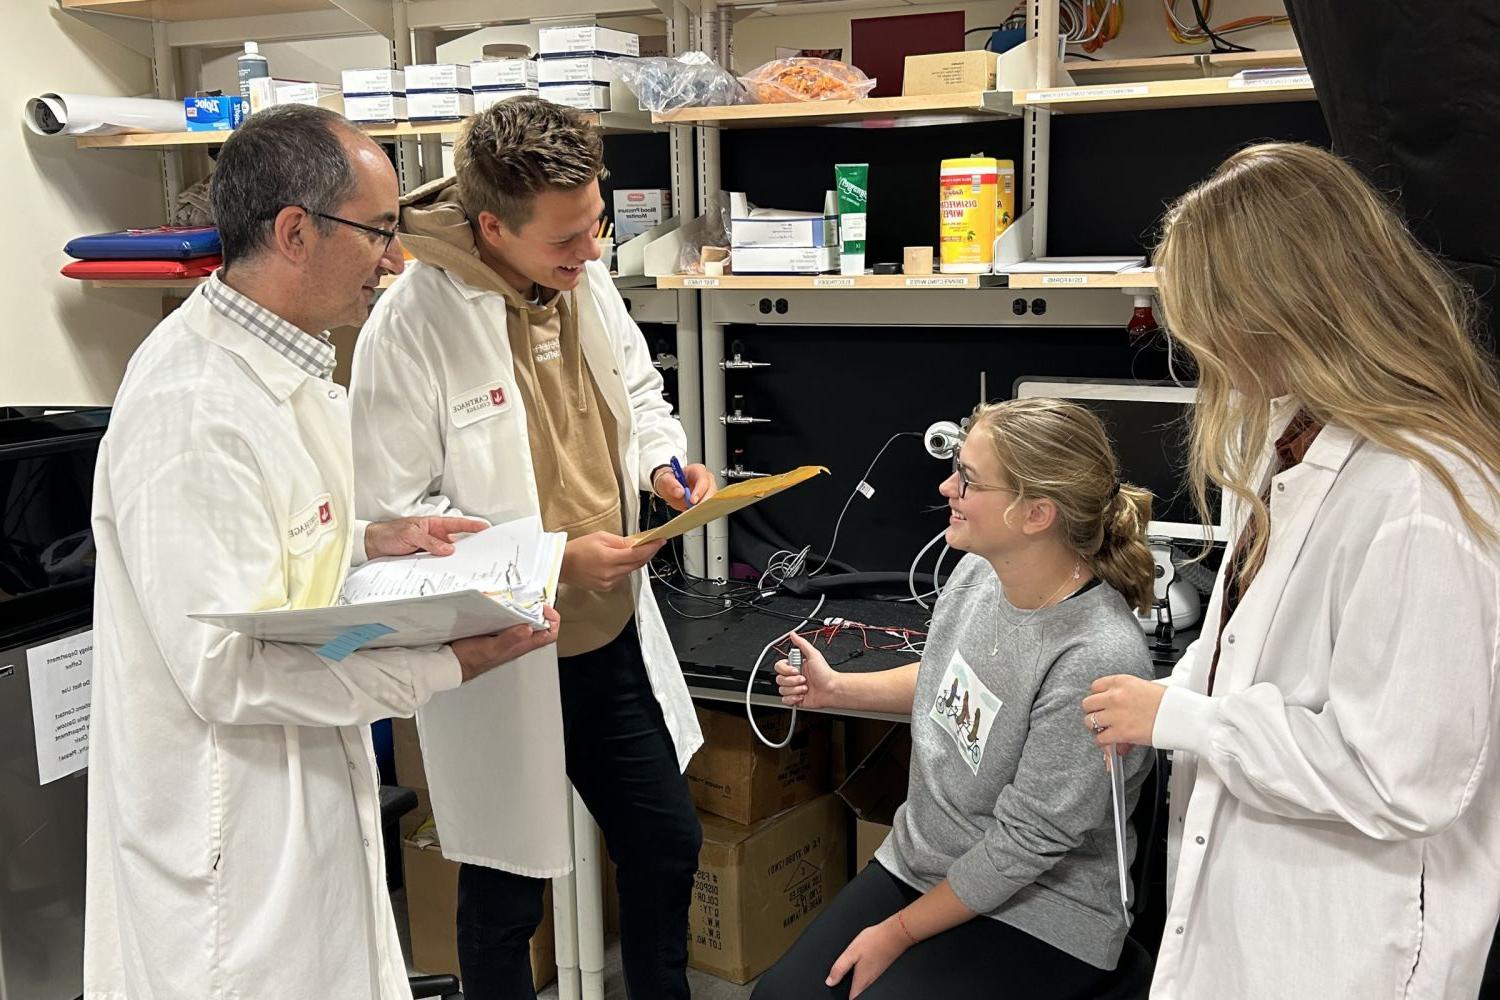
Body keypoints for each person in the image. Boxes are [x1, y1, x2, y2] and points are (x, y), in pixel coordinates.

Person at [84, 105, 559, 1000]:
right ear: (295, 232)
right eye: (379, 231)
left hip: (298, 806)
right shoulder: (192, 411)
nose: (394, 257)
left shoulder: (284, 365)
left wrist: (366, 536)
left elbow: (265, 550)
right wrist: (445, 665)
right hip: (233, 845)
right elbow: (225, 670)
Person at [1083, 142, 1500, 998]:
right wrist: (1172, 702)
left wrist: (1183, 720)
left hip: (1348, 940)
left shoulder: (1420, 497)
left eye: (1211, 322)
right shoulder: (1294, 439)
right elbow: (1246, 638)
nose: (1203, 352)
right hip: (1255, 903)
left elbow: (1403, 778)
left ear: (1284, 310)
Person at [349, 97, 713, 999]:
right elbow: (399, 519)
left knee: (666, 844)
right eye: (567, 239)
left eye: (595, 225)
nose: (591, 254)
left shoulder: (582, 276)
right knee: (505, 890)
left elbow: (637, 387)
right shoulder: (412, 326)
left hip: (611, 631)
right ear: (489, 227)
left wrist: (664, 466)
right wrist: (553, 561)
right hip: (506, 650)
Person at [755, 398, 1156, 1000]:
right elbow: (948, 682)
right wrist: (837, 689)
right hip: (925, 862)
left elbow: (1027, 844)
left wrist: (896, 933)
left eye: (968, 479)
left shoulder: (1094, 656)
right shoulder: (977, 575)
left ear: (1037, 513)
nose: (947, 487)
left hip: (1042, 908)